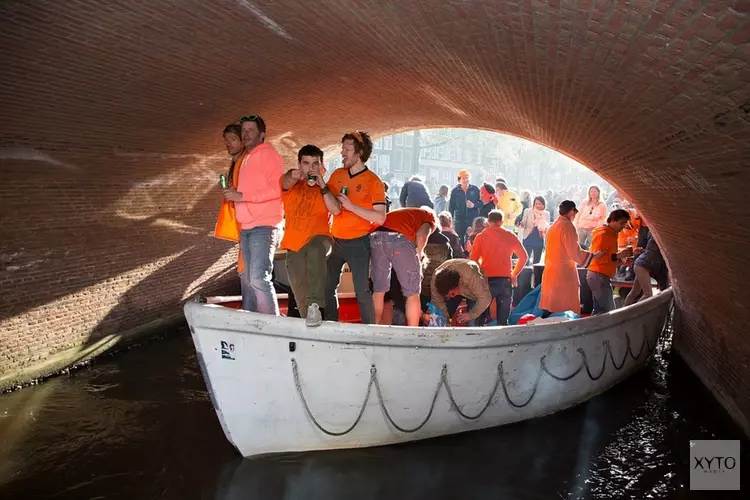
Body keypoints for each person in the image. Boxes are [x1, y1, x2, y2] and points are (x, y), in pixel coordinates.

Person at [321, 131, 386, 324]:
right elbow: (329, 201)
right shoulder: (337, 174)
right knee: (327, 285)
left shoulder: (374, 181)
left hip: (358, 243)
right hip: (335, 241)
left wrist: (352, 207)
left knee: (362, 291)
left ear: (359, 153)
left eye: (347, 149)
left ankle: (369, 331)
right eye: (342, 148)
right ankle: (331, 324)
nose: (342, 153)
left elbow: (380, 218)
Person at [222, 114, 283, 315]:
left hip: (263, 227)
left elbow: (276, 189)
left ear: (262, 135)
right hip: (247, 227)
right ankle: (252, 326)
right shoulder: (246, 159)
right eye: (244, 131)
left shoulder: (269, 155)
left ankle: (273, 326)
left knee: (258, 278)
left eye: (251, 131)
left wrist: (241, 195)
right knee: (249, 281)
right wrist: (235, 194)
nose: (246, 134)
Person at [279, 145, 332, 326]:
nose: (310, 168)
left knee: (315, 249)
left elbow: (335, 209)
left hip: (321, 238)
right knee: (299, 288)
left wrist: (321, 183)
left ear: (321, 165)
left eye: (315, 163)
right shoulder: (294, 184)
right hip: (295, 244)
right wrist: (293, 175)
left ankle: (316, 305)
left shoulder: (327, 186)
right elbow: (284, 182)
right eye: (306, 163)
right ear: (300, 164)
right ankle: (310, 322)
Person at [370, 207, 436, 326]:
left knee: (379, 290)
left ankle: (375, 327)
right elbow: (421, 236)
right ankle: (413, 333)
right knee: (412, 293)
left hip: (376, 236)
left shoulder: (408, 213)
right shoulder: (429, 217)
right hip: (399, 238)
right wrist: (419, 255)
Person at [539, 200, 602, 316]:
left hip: (551, 269)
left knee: (552, 305)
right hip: (563, 272)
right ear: (571, 211)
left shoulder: (554, 226)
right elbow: (574, 252)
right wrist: (593, 256)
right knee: (564, 306)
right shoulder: (567, 226)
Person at [469, 210, 529, 325]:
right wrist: (514, 274)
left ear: (488, 221)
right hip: (505, 280)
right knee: (503, 321)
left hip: (486, 281)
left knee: (482, 319)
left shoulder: (481, 237)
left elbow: (473, 261)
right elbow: (524, 257)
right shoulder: (510, 235)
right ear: (501, 222)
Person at [214, 123, 249, 297]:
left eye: (233, 139)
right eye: (226, 140)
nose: (228, 143)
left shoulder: (246, 162)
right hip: (242, 223)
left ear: (243, 141)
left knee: (251, 273)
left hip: (250, 224)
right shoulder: (235, 163)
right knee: (247, 271)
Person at [586, 210, 634, 315]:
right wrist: (618, 256)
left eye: (625, 223)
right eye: (621, 223)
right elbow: (597, 257)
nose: (623, 226)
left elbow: (609, 256)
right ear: (612, 221)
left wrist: (621, 259)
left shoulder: (611, 234)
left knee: (601, 310)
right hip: (598, 275)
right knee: (606, 311)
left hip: (599, 275)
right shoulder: (603, 235)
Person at [431, 259, 492, 326]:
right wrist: (445, 321)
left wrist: (471, 315)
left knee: (472, 323)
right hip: (460, 283)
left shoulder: (470, 275)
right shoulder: (435, 282)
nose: (451, 296)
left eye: (453, 294)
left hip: (476, 291)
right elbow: (438, 303)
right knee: (443, 316)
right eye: (447, 295)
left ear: (458, 285)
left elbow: (485, 298)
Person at [623, 230, 668, 306]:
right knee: (648, 294)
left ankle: (624, 311)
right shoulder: (658, 238)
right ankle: (634, 312)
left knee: (635, 291)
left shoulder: (653, 236)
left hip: (641, 265)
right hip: (642, 266)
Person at [448, 170, 483, 245]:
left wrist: (473, 205)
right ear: (459, 180)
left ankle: (470, 256)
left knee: (471, 241)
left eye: (467, 178)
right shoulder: (455, 191)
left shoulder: (475, 189)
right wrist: (451, 222)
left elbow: (481, 203)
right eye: (463, 178)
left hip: (472, 220)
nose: (465, 180)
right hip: (459, 221)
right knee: (459, 241)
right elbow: (451, 207)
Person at [519, 195, 551, 265]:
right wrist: (522, 224)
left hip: (539, 238)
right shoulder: (528, 211)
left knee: (536, 262)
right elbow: (524, 222)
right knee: (525, 260)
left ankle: (536, 275)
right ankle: (525, 275)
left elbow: (547, 226)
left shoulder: (546, 213)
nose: (537, 205)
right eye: (536, 204)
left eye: (539, 204)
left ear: (543, 205)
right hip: (528, 237)